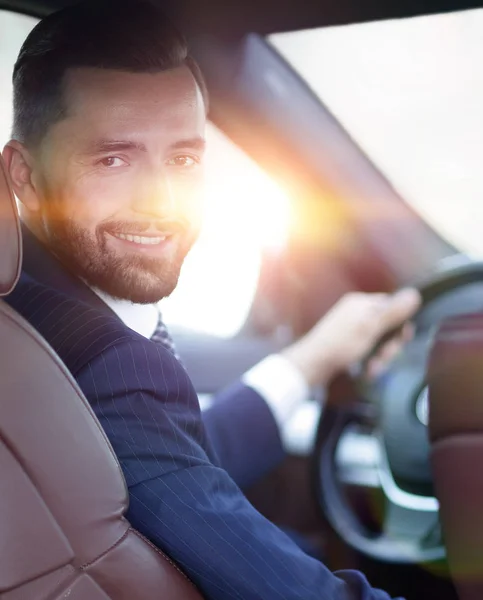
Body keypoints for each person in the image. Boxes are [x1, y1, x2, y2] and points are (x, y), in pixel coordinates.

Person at [4, 1, 420, 598]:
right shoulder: (102, 362)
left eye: (183, 158)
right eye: (113, 158)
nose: (162, 202)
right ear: (26, 178)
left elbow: (163, 466)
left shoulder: (30, 309)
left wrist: (312, 361)